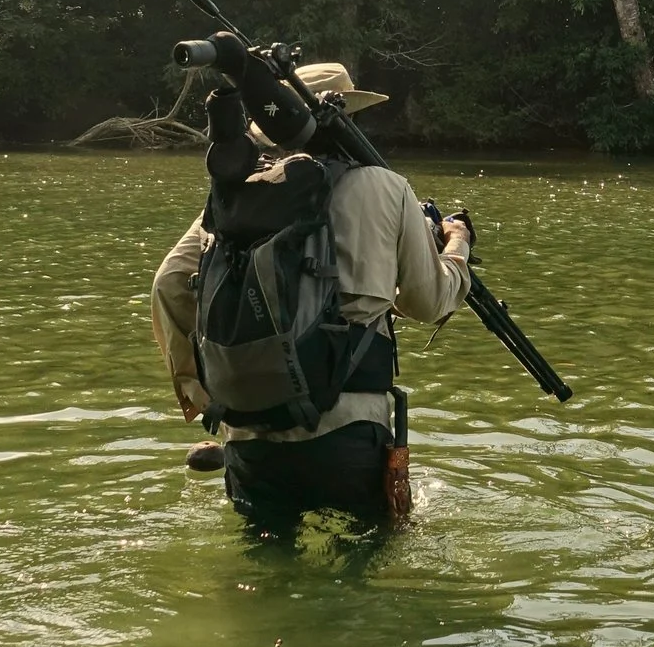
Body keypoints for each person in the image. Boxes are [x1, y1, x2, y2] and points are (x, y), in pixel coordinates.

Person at [150, 61, 473, 524]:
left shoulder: (239, 192)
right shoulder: (386, 187)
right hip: (348, 431)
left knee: (262, 573)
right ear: (349, 119)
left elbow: (169, 284)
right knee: (361, 574)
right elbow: (428, 300)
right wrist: (457, 243)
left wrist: (205, 394)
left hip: (248, 435)